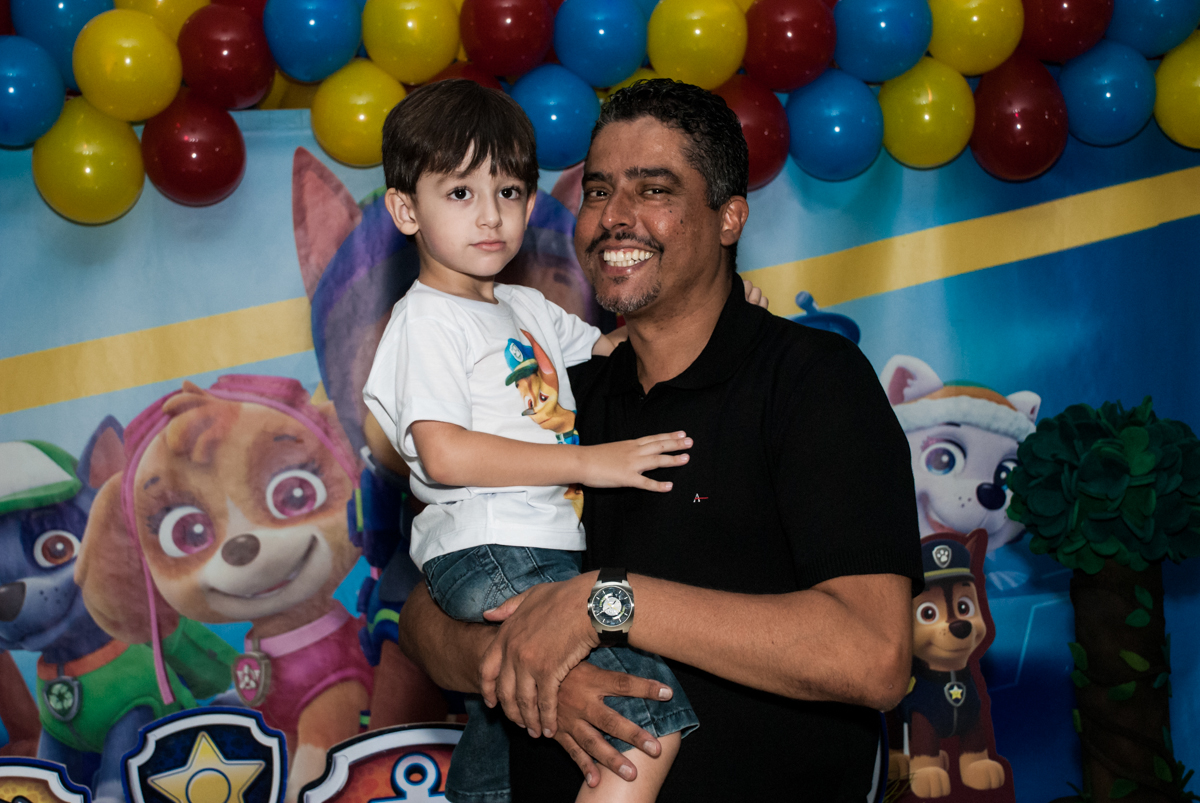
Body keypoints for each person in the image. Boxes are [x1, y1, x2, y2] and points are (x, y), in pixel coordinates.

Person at [392, 78, 925, 800]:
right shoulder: (555, 395)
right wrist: (526, 659)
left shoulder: (811, 381)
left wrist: (604, 601)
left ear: (729, 216)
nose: (615, 217)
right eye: (600, 190)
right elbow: (425, 613)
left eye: (653, 190)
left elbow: (874, 655)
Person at [361, 79, 704, 803]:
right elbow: (445, 454)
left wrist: (722, 316)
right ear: (404, 209)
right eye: (460, 193)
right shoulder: (425, 320)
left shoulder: (522, 306)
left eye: (510, 192)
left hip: (537, 546)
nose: (490, 216)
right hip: (491, 548)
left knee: (504, 736)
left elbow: (612, 352)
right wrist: (588, 462)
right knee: (645, 704)